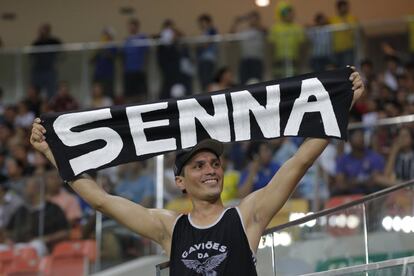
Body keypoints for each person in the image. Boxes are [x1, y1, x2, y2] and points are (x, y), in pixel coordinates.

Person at [30, 70, 364, 275]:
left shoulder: (246, 216)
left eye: (215, 163)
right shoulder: (169, 228)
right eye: (199, 165)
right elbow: (101, 201)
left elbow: (299, 163)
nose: (211, 170)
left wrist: (337, 107)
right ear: (180, 181)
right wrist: (53, 153)